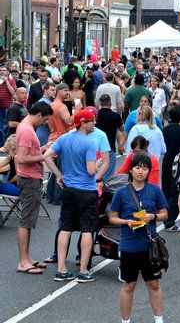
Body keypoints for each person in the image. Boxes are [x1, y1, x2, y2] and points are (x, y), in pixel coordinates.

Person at [43, 110, 104, 282]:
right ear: (83, 123)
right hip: (86, 190)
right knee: (87, 229)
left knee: (66, 227)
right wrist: (98, 164)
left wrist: (58, 175)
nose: (94, 123)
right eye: (92, 121)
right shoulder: (89, 143)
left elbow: (46, 156)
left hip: (69, 189)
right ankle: (83, 270)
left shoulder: (64, 138)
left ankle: (61, 268)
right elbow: (91, 171)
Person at [109, 154, 168, 323]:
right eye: (137, 167)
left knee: (154, 284)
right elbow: (112, 217)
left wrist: (152, 217)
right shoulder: (121, 192)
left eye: (144, 168)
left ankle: (159, 320)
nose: (140, 171)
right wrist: (126, 221)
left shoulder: (155, 190)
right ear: (131, 169)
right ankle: (125, 321)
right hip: (129, 245)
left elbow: (165, 214)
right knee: (129, 285)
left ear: (149, 171)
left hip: (150, 245)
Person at [15, 102, 54, 275]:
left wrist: (43, 148)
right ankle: (23, 261)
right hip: (29, 178)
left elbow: (28, 153)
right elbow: (22, 158)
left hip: (32, 177)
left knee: (29, 220)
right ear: (39, 114)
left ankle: (27, 258)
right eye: (45, 119)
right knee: (26, 220)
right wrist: (43, 156)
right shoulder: (26, 130)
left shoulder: (27, 128)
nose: (45, 123)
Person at [161, 105, 180, 230]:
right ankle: (170, 221)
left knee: (166, 190)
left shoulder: (164, 130)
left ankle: (165, 216)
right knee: (176, 192)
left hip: (166, 161)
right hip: (178, 164)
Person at [96, 94, 125, 180]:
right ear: (110, 102)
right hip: (110, 147)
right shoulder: (115, 115)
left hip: (97, 149)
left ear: (100, 103)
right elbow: (122, 128)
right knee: (108, 176)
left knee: (97, 173)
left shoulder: (96, 115)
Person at [0, 66, 17, 145]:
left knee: (7, 126)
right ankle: (1, 144)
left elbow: (13, 92)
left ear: (7, 72)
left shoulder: (11, 81)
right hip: (0, 107)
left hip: (8, 106)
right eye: (1, 70)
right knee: (0, 126)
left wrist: (6, 81)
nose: (2, 72)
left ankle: (7, 144)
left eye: (4, 70)